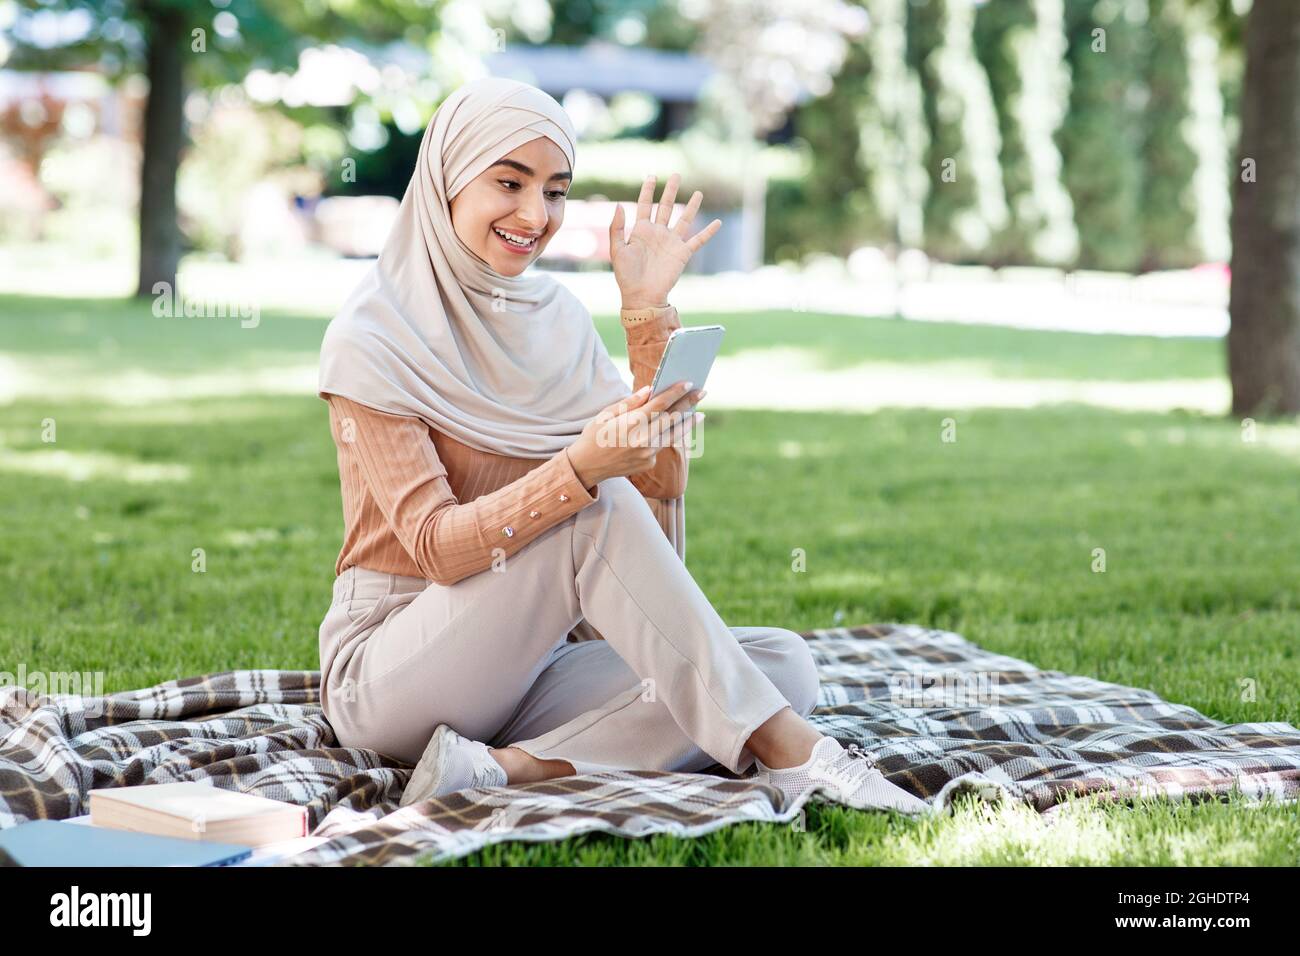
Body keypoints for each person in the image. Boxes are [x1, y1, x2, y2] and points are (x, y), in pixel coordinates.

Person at [315, 76, 931, 816]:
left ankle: (505, 771)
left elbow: (657, 487)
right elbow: (437, 549)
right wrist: (577, 470)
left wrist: (647, 315)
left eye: (554, 190)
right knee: (597, 511)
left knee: (778, 668)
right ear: (447, 180)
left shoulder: (556, 319)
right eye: (509, 182)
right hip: (395, 668)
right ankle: (802, 757)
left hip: (530, 661)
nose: (533, 214)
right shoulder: (373, 337)